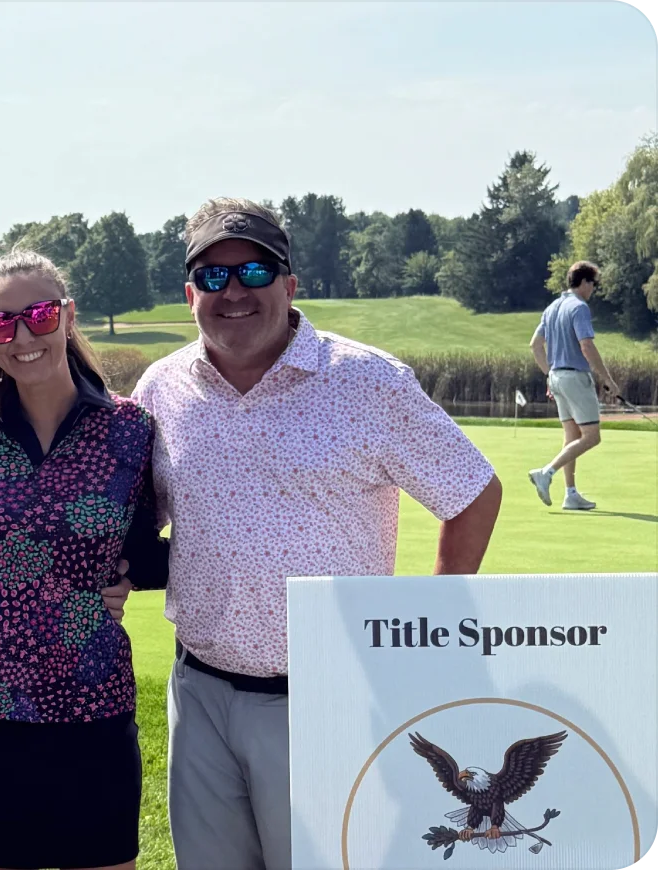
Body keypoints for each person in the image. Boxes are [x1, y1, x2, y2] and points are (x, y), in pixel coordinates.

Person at [114, 198, 502, 870]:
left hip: (328, 695)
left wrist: (432, 622)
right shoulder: (162, 388)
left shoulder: (367, 380)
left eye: (253, 271)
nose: (233, 291)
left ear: (290, 283)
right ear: (188, 294)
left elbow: (472, 491)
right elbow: (136, 520)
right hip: (199, 691)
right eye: (212, 277)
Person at [0, 250, 169, 870]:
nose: (22, 336)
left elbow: (146, 551)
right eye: (0, 323)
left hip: (90, 699)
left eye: (37, 314)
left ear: (66, 315)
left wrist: (128, 576)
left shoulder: (130, 428)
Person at [527, 260, 620, 510]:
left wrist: (549, 375)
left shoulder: (552, 307)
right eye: (594, 284)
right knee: (592, 437)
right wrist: (608, 380)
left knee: (572, 436)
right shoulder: (579, 307)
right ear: (585, 282)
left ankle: (570, 494)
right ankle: (546, 473)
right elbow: (586, 346)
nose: (593, 290)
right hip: (575, 377)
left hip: (557, 377)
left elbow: (535, 346)